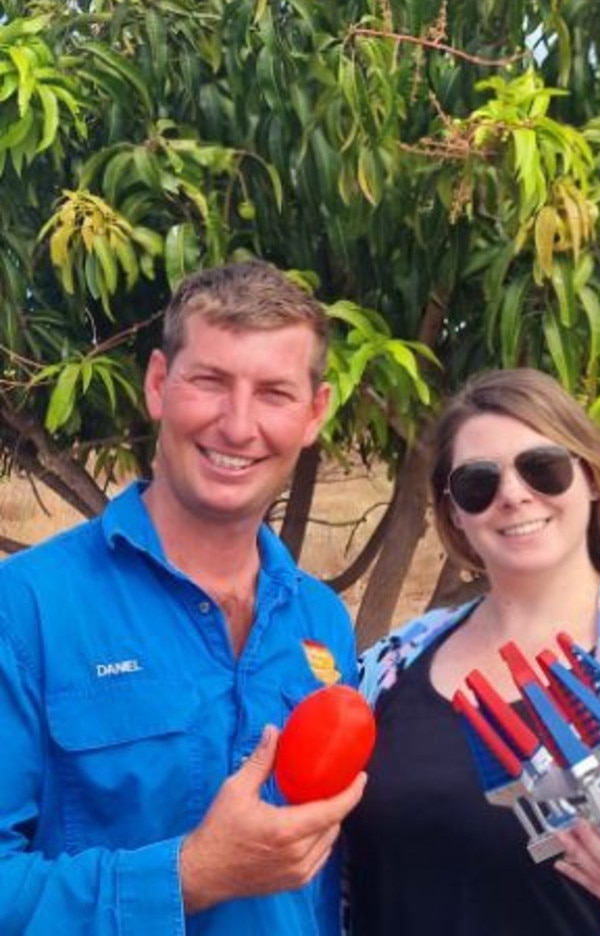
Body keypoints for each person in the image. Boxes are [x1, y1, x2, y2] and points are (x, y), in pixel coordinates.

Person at [0, 260, 366, 935]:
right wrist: (190, 875)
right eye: (210, 381)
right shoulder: (26, 609)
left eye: (274, 393)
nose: (237, 424)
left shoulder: (322, 621)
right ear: (160, 385)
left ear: (315, 415)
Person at [344, 367, 600, 936]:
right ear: (455, 513)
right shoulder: (385, 669)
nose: (512, 495)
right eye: (478, 484)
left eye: (543, 468)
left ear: (591, 478)